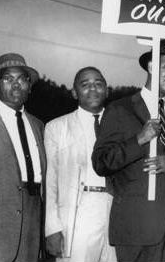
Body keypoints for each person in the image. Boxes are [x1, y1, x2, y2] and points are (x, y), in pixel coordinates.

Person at [92, 40, 165, 262]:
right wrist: (139, 139)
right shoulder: (120, 109)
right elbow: (101, 163)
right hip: (137, 227)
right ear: (151, 66)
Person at [44, 67, 116, 261]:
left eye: (98, 83)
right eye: (85, 85)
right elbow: (50, 182)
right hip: (78, 214)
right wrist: (52, 228)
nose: (93, 89)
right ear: (74, 92)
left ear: (107, 90)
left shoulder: (120, 125)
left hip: (114, 211)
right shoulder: (56, 127)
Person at [0, 53, 46, 262]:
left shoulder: (39, 126)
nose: (16, 84)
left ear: (29, 87)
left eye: (22, 79)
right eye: (8, 79)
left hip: (33, 223)